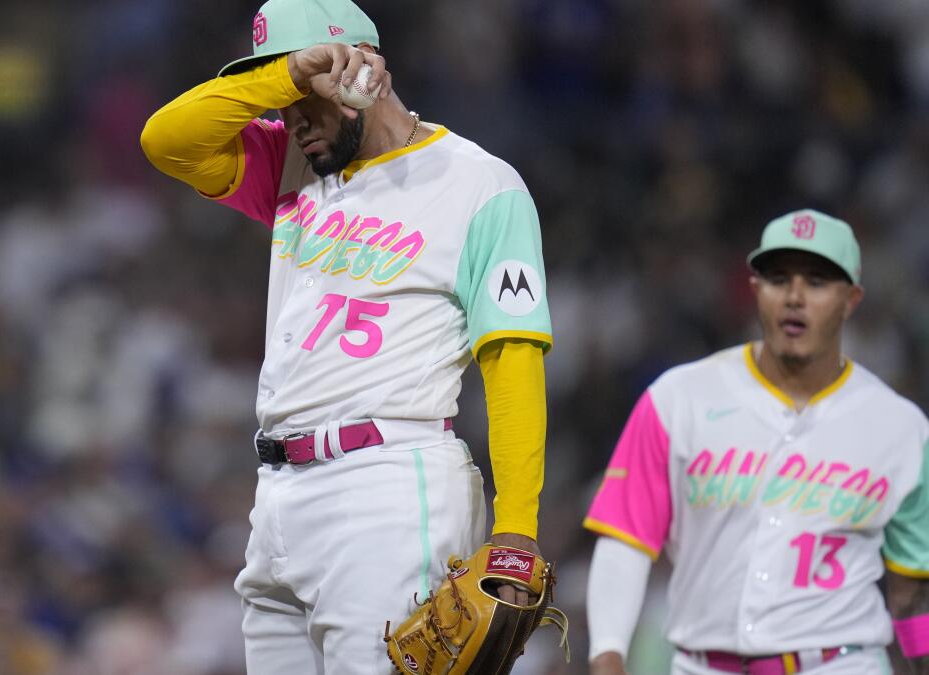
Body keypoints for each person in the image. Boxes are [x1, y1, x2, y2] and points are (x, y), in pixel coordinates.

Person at [140, 0, 556, 672]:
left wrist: (517, 529)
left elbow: (512, 363)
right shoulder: (292, 163)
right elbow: (166, 140)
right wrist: (287, 79)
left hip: (389, 485)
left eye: (311, 95)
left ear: (368, 71)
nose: (294, 117)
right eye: (288, 98)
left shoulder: (481, 184)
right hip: (276, 496)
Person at [583, 210, 929, 674]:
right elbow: (625, 540)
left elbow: (913, 590)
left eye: (818, 281)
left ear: (852, 298)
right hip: (702, 665)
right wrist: (607, 654)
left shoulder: (901, 428)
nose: (795, 297)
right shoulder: (677, 399)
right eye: (778, 278)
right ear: (754, 290)